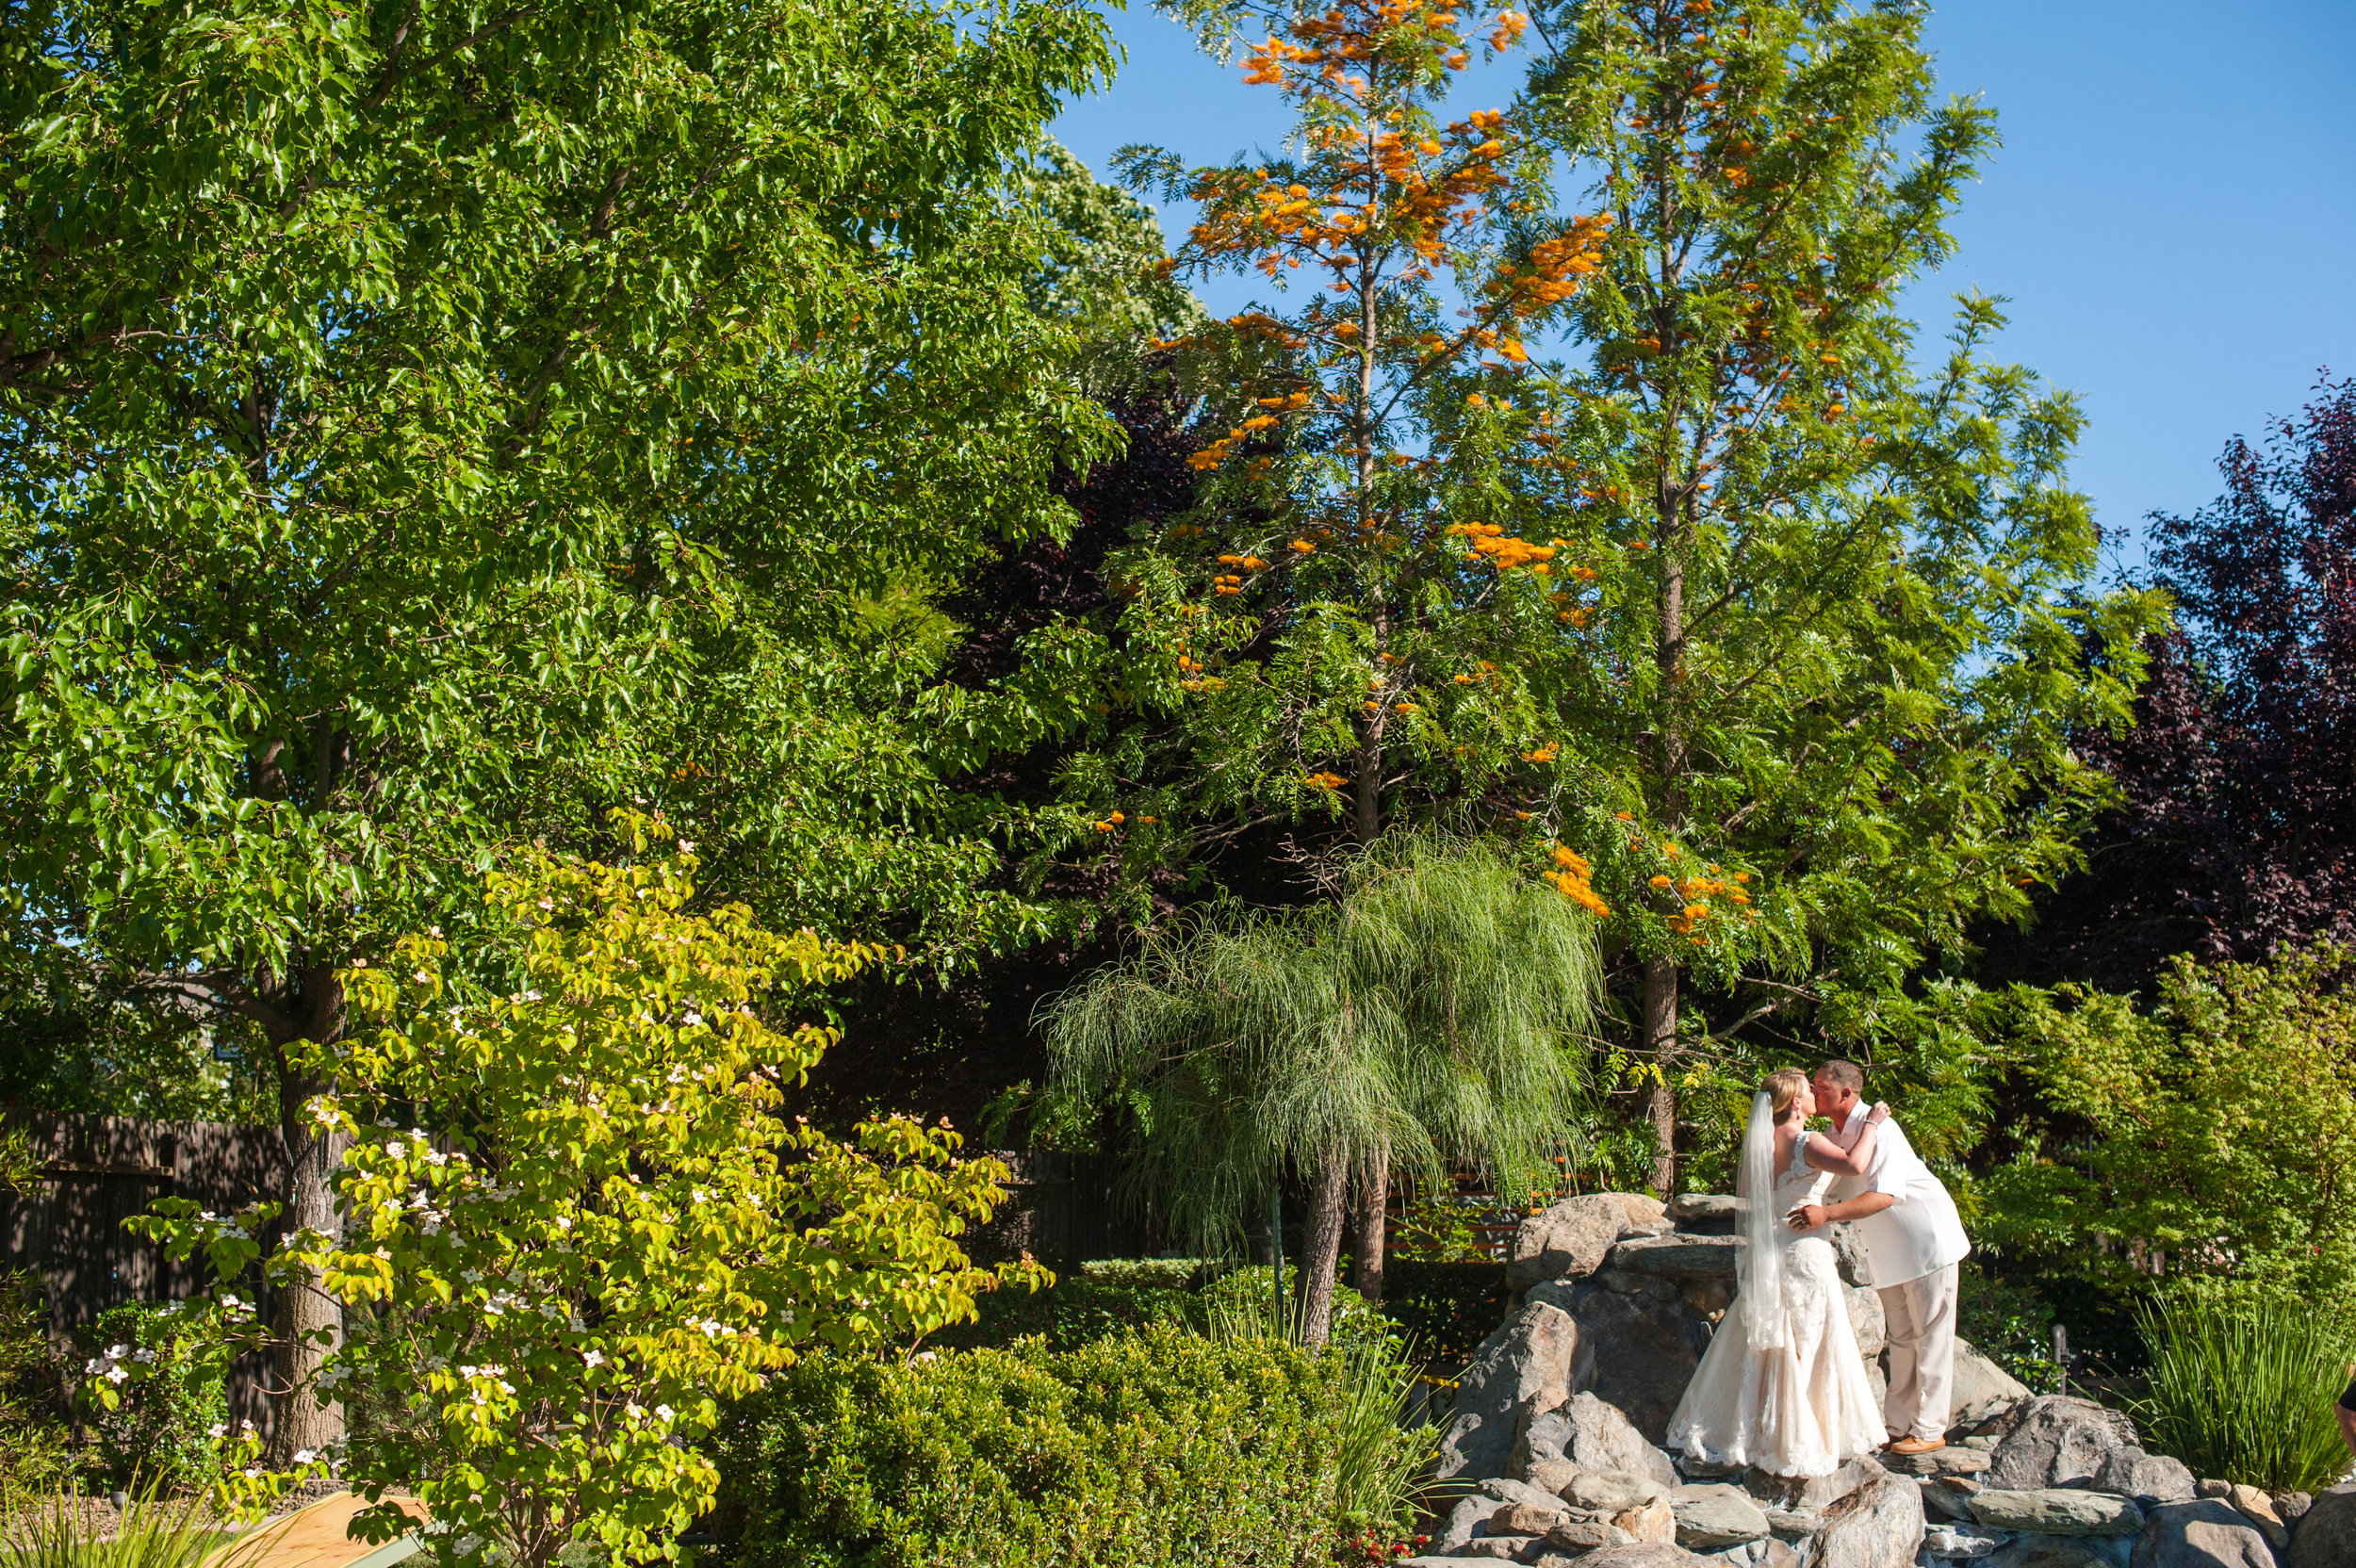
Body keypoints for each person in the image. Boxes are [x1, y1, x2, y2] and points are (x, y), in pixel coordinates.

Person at [1663, 1069, 1890, 1478]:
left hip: (1775, 1250)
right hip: (1805, 1252)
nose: (1814, 1096)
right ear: (1796, 1103)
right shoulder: (1807, 1142)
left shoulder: (1762, 1146)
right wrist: (1873, 1122)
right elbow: (1856, 1164)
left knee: (1772, 1340)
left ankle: (1751, 1435)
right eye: (1808, 1090)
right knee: (1807, 1342)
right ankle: (1797, 1439)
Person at [1787, 1059, 1972, 1457]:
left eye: (1821, 1087)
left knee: (1933, 1335)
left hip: (1926, 1240)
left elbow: (1885, 1195)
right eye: (1814, 1087)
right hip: (1888, 1252)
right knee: (1901, 1338)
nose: (1815, 1092)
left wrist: (1827, 1215)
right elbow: (1832, 1182)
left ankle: (1930, 1428)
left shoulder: (1882, 1128)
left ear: (1846, 1093)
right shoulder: (1832, 1133)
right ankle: (1897, 1424)